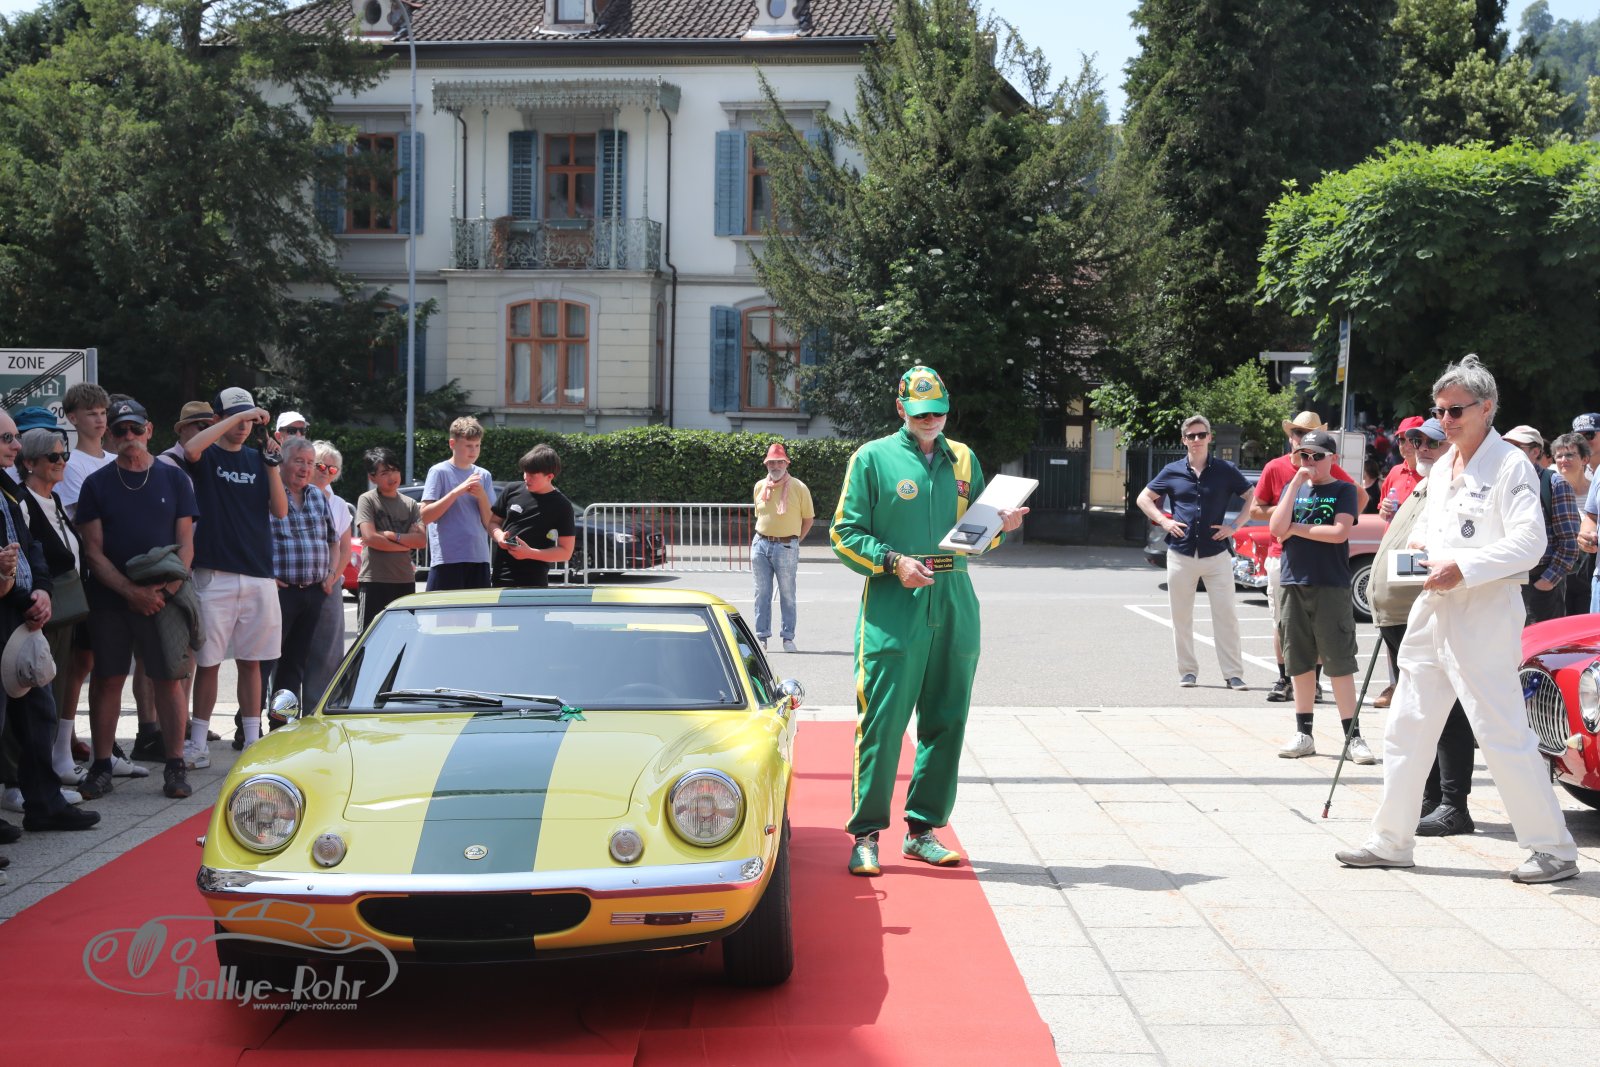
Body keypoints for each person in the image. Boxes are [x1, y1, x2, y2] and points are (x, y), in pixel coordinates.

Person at [1336, 354, 1579, 883]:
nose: (1444, 421)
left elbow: (1530, 543)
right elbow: (1435, 530)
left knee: (1501, 731)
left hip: (1484, 610)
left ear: (1486, 408)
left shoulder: (1511, 465)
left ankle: (1553, 849)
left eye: (1455, 411)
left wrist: (1463, 567)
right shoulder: (1444, 465)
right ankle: (1391, 839)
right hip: (1433, 607)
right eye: (1439, 411)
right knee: (1406, 724)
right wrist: (1423, 553)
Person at [830, 366, 1027, 877]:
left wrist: (1001, 528)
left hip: (954, 593)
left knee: (947, 719)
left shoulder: (963, 458)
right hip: (894, 599)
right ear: (901, 409)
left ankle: (922, 830)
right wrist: (893, 561)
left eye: (937, 411)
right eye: (920, 413)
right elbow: (844, 533)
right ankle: (865, 835)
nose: (930, 420)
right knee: (882, 722)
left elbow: (978, 535)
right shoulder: (872, 458)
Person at [75, 397, 202, 802]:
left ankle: (175, 763)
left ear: (149, 430)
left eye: (135, 428)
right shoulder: (96, 484)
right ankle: (101, 764)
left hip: (164, 596)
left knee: (169, 678)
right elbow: (93, 551)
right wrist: (131, 592)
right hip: (111, 599)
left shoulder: (175, 479)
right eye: (120, 430)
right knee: (108, 678)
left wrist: (163, 592)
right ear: (110, 436)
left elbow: (186, 545)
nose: (128, 435)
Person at [0, 415, 98, 835]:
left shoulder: (9, 491)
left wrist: (39, 590)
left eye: (16, 437)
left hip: (25, 612)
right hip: (9, 612)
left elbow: (31, 548)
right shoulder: (15, 490)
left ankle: (44, 803)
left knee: (39, 710)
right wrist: (27, 595)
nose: (15, 445)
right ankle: (21, 795)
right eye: (7, 438)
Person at [181, 388, 288, 768]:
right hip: (214, 573)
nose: (244, 426)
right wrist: (238, 416)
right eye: (236, 418)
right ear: (219, 419)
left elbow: (280, 510)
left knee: (252, 661)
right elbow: (190, 448)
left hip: (258, 573)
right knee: (208, 662)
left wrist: (273, 464)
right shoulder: (208, 454)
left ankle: (252, 740)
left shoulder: (258, 458)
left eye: (249, 420)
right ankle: (197, 742)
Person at [1268, 429, 1371, 763]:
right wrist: (1295, 484)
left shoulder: (1343, 490)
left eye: (1317, 456)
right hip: (1293, 582)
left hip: (1330, 583)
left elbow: (1338, 533)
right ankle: (1304, 733)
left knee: (1338, 661)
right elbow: (1275, 528)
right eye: (1305, 455)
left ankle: (1353, 737)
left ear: (1332, 459)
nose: (1310, 461)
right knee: (1298, 660)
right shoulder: (1294, 487)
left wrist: (1295, 529)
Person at [1250, 411, 1367, 702]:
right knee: (1283, 622)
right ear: (1291, 438)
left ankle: (1312, 682)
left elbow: (1358, 499)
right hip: (1282, 555)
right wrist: (1287, 505)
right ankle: (1283, 679)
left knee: (1322, 630)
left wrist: (1306, 524)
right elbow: (1256, 510)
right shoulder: (1276, 467)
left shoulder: (1328, 470)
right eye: (1299, 434)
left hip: (1319, 561)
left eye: (1310, 434)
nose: (1306, 446)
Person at [1136, 414, 1251, 690]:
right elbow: (1143, 498)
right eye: (1191, 436)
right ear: (1184, 440)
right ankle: (1188, 672)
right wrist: (1163, 520)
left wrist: (1234, 526)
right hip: (1181, 554)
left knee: (1226, 616)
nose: (1196, 440)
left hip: (1216, 555)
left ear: (1210, 437)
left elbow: (1252, 497)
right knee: (1181, 617)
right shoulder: (1172, 471)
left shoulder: (1225, 469)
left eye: (1201, 435)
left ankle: (1233, 674)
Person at [1373, 417, 1447, 708]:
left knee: (1429, 702)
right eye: (1417, 441)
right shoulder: (1413, 477)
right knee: (1412, 701)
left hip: (1418, 608)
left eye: (1433, 442)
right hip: (1395, 611)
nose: (1420, 447)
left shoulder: (1448, 485)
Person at [262, 436, 339, 714]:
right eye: (299, 461)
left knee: (294, 663)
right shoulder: (267, 492)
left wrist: (330, 574)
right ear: (282, 463)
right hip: (279, 592)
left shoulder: (317, 495)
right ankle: (247, 726)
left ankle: (282, 722)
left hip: (313, 592)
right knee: (263, 662)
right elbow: (251, 538)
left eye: (310, 463)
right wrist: (266, 575)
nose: (306, 468)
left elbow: (333, 540)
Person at [1502, 424, 1578, 624]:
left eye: (1516, 447)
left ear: (1535, 452)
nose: (1508, 453)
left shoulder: (1555, 483)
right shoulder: (1501, 482)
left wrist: (1547, 582)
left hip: (1540, 581)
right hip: (1505, 583)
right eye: (1505, 447)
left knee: (1542, 643)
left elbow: (1569, 543)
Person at [750, 441, 815, 652]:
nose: (775, 466)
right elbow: (760, 515)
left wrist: (795, 541)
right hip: (760, 544)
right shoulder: (760, 486)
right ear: (766, 464)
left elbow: (808, 519)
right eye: (771, 462)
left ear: (787, 463)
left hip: (786, 546)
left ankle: (788, 638)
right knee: (761, 593)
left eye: (779, 462)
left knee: (787, 594)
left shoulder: (799, 487)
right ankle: (761, 637)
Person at [302, 441, 352, 708]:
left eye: (333, 469)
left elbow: (344, 548)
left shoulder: (339, 504)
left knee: (327, 654)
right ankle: (282, 715)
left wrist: (332, 578)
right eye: (321, 466)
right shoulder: (290, 494)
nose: (326, 472)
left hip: (328, 586)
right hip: (294, 584)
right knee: (286, 654)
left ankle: (316, 710)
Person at [420, 416, 494, 591]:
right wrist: (457, 491)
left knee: (476, 609)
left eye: (477, 445)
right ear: (452, 444)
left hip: (479, 558)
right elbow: (425, 516)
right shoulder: (439, 472)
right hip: (448, 559)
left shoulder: (484, 475)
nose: (474, 450)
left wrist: (482, 496)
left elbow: (490, 523)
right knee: (443, 608)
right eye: (468, 445)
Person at [354, 447, 424, 632]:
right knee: (370, 637)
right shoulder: (367, 500)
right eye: (384, 472)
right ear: (372, 477)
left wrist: (392, 536)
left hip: (404, 579)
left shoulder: (410, 504)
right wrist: (405, 544)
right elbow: (370, 537)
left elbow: (421, 540)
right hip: (374, 579)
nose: (392, 476)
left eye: (394, 470)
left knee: (405, 637)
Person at [488, 445, 576, 588]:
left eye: (532, 475)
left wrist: (530, 553)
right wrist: (499, 536)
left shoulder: (562, 505)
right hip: (500, 576)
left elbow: (565, 552)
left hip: (534, 581)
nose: (526, 478)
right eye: (525, 472)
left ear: (549, 477)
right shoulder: (511, 490)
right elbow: (493, 523)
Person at [1552, 432, 1594, 617]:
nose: (1563, 460)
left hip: (1591, 570)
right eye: (1559, 456)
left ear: (1585, 459)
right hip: (1559, 573)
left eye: (1569, 455)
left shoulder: (1595, 491)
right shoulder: (1550, 491)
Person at [58, 382, 112, 521]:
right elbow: (87, 515)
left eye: (103, 413)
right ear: (73, 418)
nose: (100, 420)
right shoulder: (70, 465)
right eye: (92, 414)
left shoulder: (116, 459)